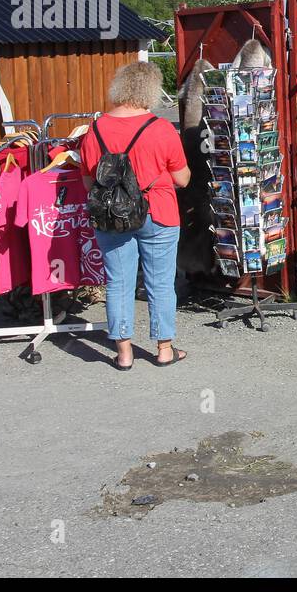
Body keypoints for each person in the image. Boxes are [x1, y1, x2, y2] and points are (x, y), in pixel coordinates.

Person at [80, 61, 191, 371]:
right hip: (158, 211)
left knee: (118, 283)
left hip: (111, 216)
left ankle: (124, 353)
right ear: (150, 91)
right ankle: (164, 349)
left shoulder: (96, 128)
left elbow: (89, 180)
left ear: (120, 88)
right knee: (160, 283)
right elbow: (182, 179)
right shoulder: (161, 129)